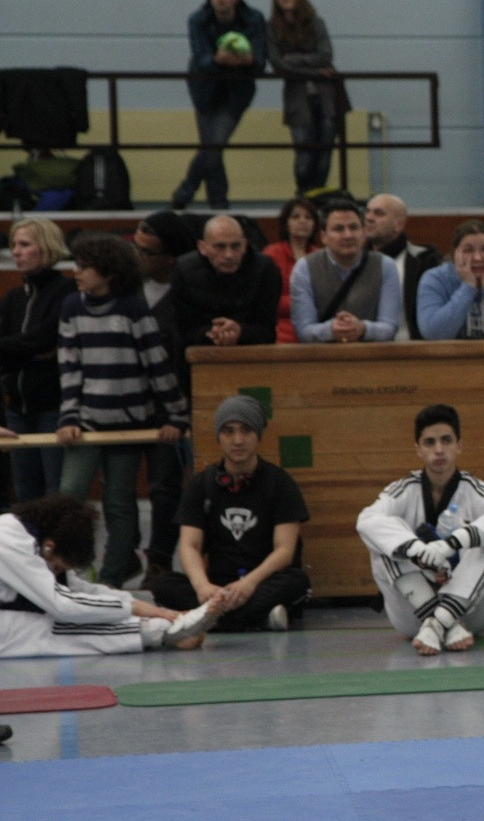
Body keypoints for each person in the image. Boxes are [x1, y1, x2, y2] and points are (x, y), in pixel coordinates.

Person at [56, 235, 189, 587]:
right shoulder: (72, 306)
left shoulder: (132, 308)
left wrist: (176, 414)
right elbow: (69, 366)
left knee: (119, 502)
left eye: (84, 267)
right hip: (87, 422)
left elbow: (156, 365)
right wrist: (69, 416)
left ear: (109, 272)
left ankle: (111, 580)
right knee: (70, 494)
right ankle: (74, 569)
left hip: (128, 425)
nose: (76, 272)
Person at [355, 404, 484, 655]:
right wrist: (416, 552)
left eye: (446, 440)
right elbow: (366, 520)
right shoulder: (403, 490)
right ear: (418, 449)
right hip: (414, 615)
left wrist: (452, 543)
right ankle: (442, 623)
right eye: (430, 442)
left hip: (470, 612)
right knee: (381, 539)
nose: (439, 450)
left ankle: (441, 620)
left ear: (459, 445)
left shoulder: (475, 490)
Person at [150, 396, 309, 630]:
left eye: (246, 431)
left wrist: (249, 584)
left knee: (297, 581)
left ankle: (210, 618)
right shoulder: (201, 484)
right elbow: (189, 545)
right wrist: (203, 587)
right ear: (218, 436)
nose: (238, 440)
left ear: (258, 435)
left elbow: (285, 551)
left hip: (262, 582)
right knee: (163, 584)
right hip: (218, 586)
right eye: (228, 431)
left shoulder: (280, 483)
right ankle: (258, 619)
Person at [0, 494, 216, 658]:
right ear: (49, 547)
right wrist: (135, 609)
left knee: (74, 613)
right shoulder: (8, 538)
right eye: (56, 567)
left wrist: (149, 608)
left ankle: (166, 628)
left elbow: (80, 589)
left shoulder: (32, 539)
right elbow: (62, 604)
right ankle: (163, 632)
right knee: (51, 627)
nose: (55, 573)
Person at [132, 212, 199, 580]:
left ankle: (158, 560)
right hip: (128, 401)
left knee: (164, 486)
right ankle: (125, 555)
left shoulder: (186, 294)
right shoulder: (127, 288)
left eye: (146, 251)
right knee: (118, 487)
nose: (137, 256)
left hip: (173, 404)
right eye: (135, 247)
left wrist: (179, 411)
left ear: (170, 258)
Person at [172, 0, 266, 210]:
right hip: (205, 90)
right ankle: (219, 204)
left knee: (213, 145)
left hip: (236, 93)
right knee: (212, 148)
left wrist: (244, 60)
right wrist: (219, 59)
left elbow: (259, 61)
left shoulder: (254, 19)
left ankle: (184, 193)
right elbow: (202, 57)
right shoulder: (198, 19)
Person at [0, 218, 75, 501]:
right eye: (14, 245)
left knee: (57, 491)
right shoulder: (14, 297)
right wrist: (31, 353)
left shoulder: (67, 291)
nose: (16, 251)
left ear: (45, 246)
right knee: (26, 492)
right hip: (16, 408)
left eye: (24, 244)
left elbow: (45, 337)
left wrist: (22, 350)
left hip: (54, 407)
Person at [170, 215, 281, 363]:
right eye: (220, 247)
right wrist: (215, 333)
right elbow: (183, 331)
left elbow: (267, 331)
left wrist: (240, 331)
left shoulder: (265, 270)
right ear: (202, 247)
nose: (229, 255)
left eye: (235, 246)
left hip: (253, 359)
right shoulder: (184, 271)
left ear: (245, 246)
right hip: (197, 360)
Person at [289, 199, 401, 343]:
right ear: (324, 236)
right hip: (322, 355)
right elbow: (303, 330)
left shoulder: (385, 265)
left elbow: (390, 327)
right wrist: (331, 330)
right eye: (338, 229)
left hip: (371, 354)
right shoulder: (305, 268)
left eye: (354, 228)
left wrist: (362, 328)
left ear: (364, 232)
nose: (348, 235)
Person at [267, 0, 340, 195]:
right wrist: (315, 71)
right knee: (304, 156)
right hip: (297, 99)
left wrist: (294, 59)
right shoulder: (272, 28)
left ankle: (318, 199)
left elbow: (326, 56)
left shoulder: (316, 22)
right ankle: (303, 199)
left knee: (324, 154)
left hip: (326, 97)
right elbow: (278, 65)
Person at [365, 193, 441, 341]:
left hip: (413, 349)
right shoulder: (355, 261)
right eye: (367, 211)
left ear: (398, 225)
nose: (369, 218)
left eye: (379, 213)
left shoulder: (425, 262)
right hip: (363, 349)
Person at [266, 198, 320, 343]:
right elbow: (268, 300)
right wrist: (306, 304)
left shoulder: (320, 256)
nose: (302, 221)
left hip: (316, 328)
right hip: (281, 330)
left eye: (308, 217)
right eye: (296, 217)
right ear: (286, 223)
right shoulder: (272, 254)